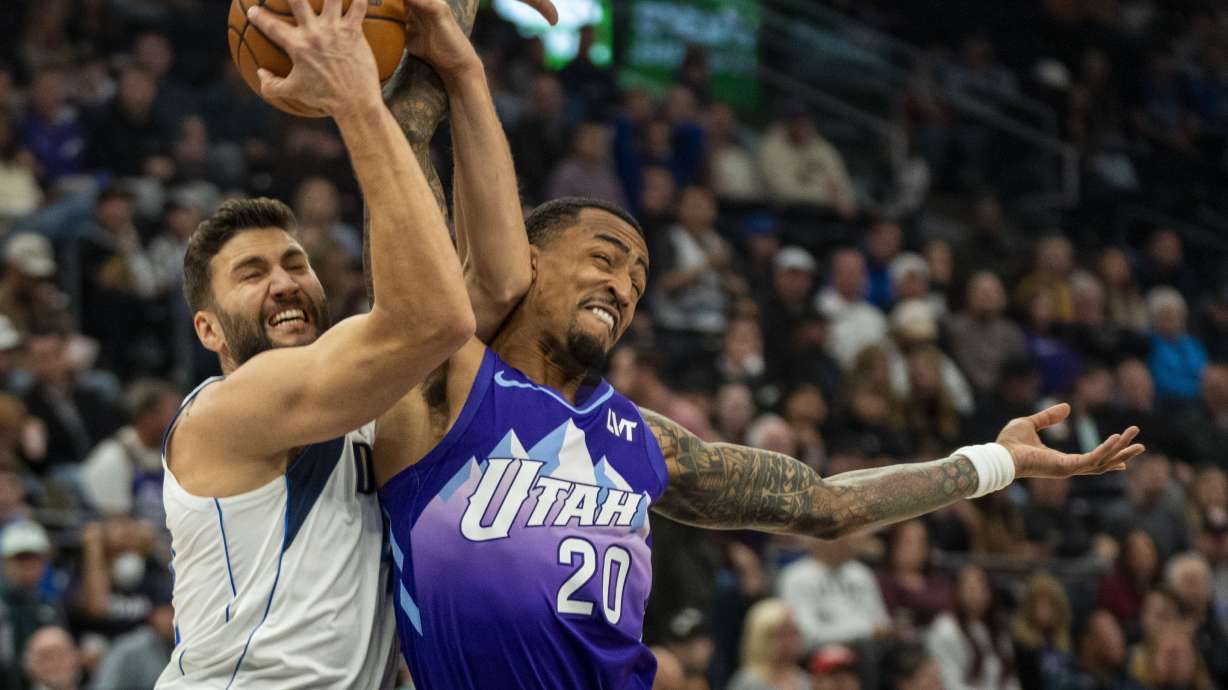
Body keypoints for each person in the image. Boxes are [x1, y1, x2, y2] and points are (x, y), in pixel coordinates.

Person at [369, 29, 1144, 690]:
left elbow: (825, 504)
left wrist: (994, 461)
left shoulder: (643, 439)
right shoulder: (447, 378)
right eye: (604, 259)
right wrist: (443, 33)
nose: (624, 286)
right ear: (527, 260)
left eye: (638, 278)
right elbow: (405, 168)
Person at [154, 0, 480, 686]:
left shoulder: (368, 406)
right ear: (207, 329)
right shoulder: (222, 415)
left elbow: (458, 296)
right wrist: (356, 98)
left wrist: (457, 57)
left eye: (295, 264)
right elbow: (433, 316)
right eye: (252, 273)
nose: (284, 283)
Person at [0, 520, 60, 689]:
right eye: (21, 558)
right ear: (5, 562)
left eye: (34, 558)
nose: (29, 565)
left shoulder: (49, 605)